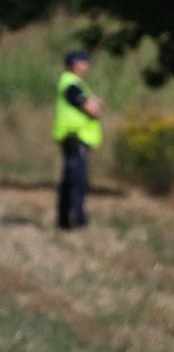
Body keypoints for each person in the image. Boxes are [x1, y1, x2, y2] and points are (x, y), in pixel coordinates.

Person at [51, 49, 104, 230]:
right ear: (75, 64)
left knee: (69, 179)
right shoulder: (72, 85)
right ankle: (78, 219)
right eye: (83, 61)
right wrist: (96, 104)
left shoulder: (70, 83)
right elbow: (91, 109)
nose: (87, 65)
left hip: (73, 137)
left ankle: (64, 221)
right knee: (77, 180)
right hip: (75, 137)